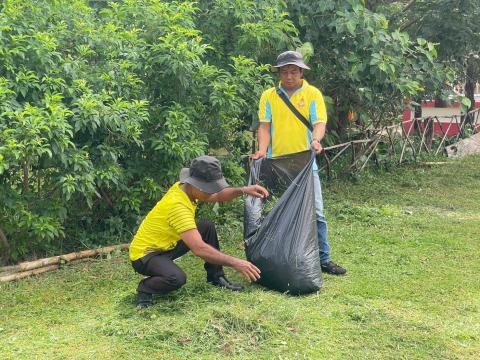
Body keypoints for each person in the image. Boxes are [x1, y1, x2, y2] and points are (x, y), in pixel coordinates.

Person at [251, 50, 346, 276]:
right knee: (275, 210)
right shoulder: (269, 95)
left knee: (317, 212)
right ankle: (274, 255)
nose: (289, 76)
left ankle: (323, 259)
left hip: (305, 163)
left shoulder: (313, 94)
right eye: (285, 72)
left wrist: (315, 140)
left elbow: (319, 122)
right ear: (279, 73)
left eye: (294, 71)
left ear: (301, 71)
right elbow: (264, 126)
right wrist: (262, 150)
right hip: (277, 163)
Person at [129, 155, 268, 308]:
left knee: (206, 226)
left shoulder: (185, 188)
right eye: (209, 190)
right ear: (195, 184)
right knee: (176, 278)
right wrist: (236, 263)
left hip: (167, 245)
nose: (212, 193)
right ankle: (145, 288)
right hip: (146, 254)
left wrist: (244, 190)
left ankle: (216, 277)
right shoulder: (178, 206)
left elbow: (218, 195)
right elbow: (199, 249)